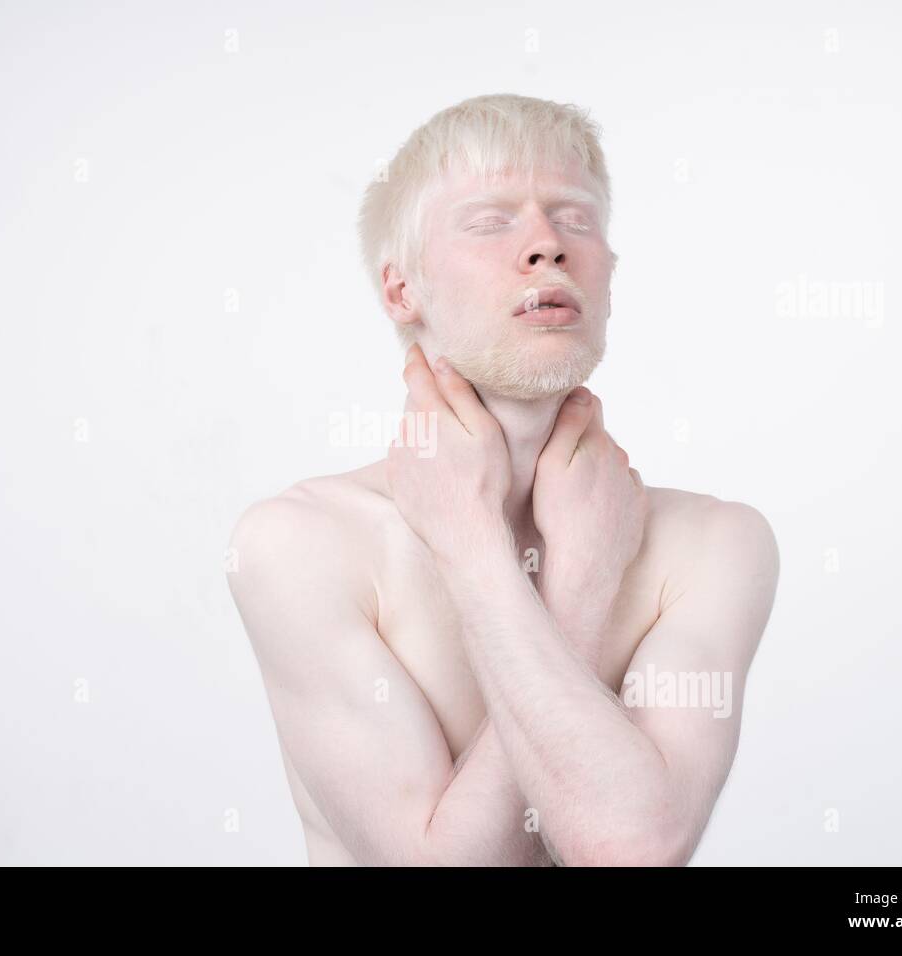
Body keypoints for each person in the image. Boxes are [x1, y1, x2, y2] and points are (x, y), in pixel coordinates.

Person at [226, 93, 780, 866]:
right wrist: (484, 546)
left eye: (576, 219)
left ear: (610, 278)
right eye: (491, 222)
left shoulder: (719, 543)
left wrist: (574, 575)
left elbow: (631, 850)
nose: (547, 245)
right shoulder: (298, 543)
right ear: (401, 289)